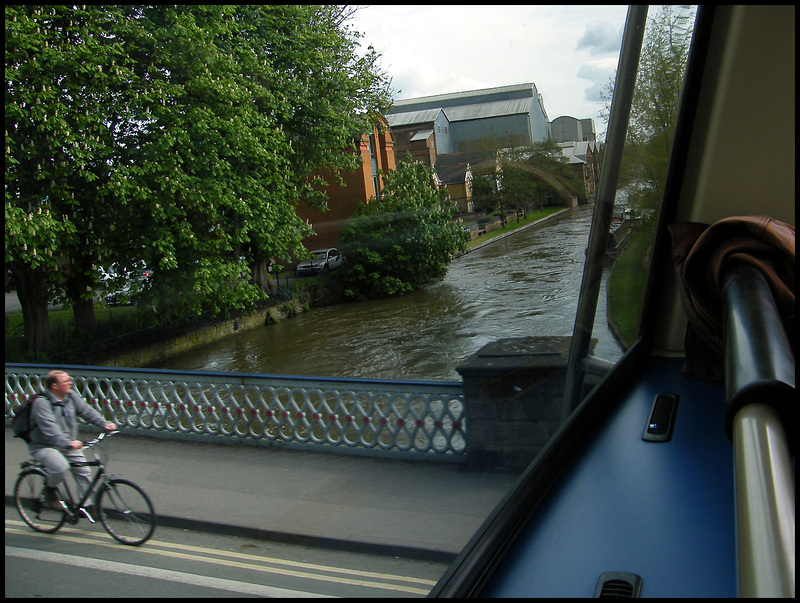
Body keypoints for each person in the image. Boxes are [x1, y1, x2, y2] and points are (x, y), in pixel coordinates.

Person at [28, 370, 117, 510]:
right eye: (65, 381)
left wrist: (103, 423)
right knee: (60, 467)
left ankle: (86, 506)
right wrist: (68, 443)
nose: (70, 383)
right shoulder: (42, 403)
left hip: (67, 445)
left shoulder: (70, 397)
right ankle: (49, 491)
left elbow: (86, 411)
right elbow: (50, 429)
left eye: (69, 380)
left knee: (83, 471)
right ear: (54, 386)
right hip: (44, 446)